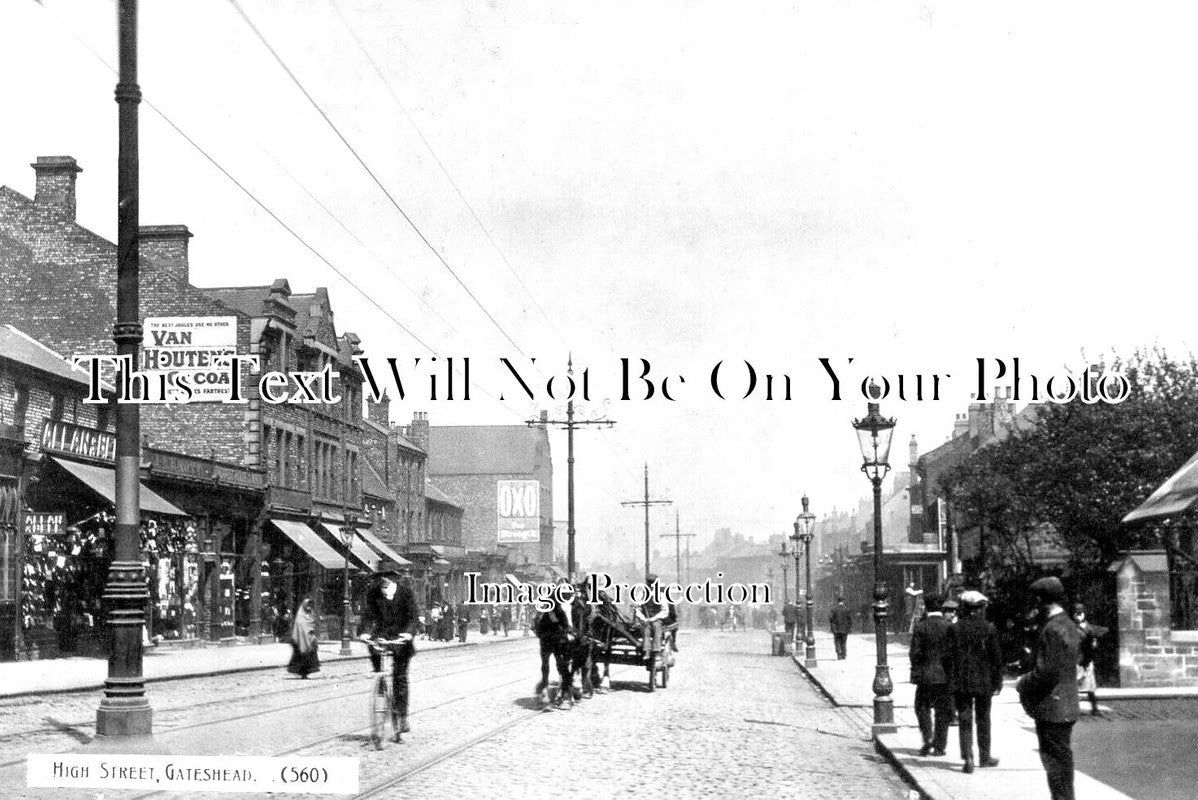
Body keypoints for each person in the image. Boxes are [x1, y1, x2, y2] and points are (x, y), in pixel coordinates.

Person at [1017, 576, 1081, 800]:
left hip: (1053, 707)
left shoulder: (1053, 629)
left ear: (1041, 600)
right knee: (1062, 764)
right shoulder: (1067, 623)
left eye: (1035, 600)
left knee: (1056, 766)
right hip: (1065, 705)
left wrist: (1023, 682)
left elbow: (1048, 672)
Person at [357, 570, 418, 740]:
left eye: (385, 577)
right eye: (378, 577)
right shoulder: (374, 593)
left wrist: (408, 633)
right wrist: (364, 632)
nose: (381, 581)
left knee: (400, 678)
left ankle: (402, 717)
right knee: (375, 653)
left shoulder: (405, 592)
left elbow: (413, 617)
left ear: (391, 578)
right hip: (382, 635)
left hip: (401, 637)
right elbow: (367, 616)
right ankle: (380, 680)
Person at [948, 590, 1004, 773]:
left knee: (964, 718)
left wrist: (952, 680)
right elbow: (996, 659)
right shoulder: (989, 628)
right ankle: (984, 756)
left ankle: (968, 757)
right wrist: (998, 682)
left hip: (962, 680)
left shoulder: (955, 629)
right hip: (984, 681)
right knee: (983, 718)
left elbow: (948, 658)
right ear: (980, 608)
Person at [910, 593, 953, 757]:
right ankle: (940, 746)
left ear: (926, 607)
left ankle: (927, 738)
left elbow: (914, 653)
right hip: (944, 676)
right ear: (941, 608)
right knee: (943, 711)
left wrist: (916, 671)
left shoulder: (921, 627)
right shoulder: (948, 627)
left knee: (922, 707)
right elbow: (952, 653)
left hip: (925, 676)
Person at [1073, 603, 1106, 716]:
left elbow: (1099, 636)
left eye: (1080, 614)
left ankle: (1095, 708)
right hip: (1077, 661)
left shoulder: (1090, 628)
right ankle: (1074, 709)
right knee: (1075, 686)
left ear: (1084, 614)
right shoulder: (1071, 629)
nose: (1079, 616)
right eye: (1076, 614)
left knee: (1090, 686)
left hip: (1088, 660)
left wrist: (1095, 642)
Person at [634, 574, 670, 654]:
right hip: (644, 619)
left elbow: (664, 611)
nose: (651, 586)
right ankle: (646, 650)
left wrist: (653, 619)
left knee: (656, 627)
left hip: (656, 619)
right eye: (649, 584)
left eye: (652, 584)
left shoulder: (660, 595)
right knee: (646, 629)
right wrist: (643, 618)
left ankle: (656, 651)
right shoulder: (642, 594)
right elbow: (637, 608)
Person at [287, 597, 320, 678]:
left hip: (309, 640)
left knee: (309, 657)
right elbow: (299, 629)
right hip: (301, 641)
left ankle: (306, 673)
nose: (309, 607)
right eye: (307, 605)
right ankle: (302, 673)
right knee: (301, 657)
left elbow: (312, 624)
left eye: (310, 605)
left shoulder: (310, 615)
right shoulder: (300, 617)